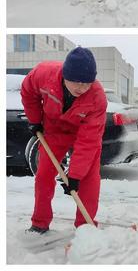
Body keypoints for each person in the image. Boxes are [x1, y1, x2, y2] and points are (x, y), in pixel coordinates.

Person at [21, 47, 107, 234]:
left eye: (87, 83)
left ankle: (85, 228)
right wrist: (35, 120)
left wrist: (74, 176)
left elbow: (89, 141)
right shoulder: (43, 74)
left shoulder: (97, 97)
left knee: (88, 179)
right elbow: (28, 92)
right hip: (54, 130)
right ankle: (39, 223)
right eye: (76, 82)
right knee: (43, 175)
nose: (82, 88)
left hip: (84, 134)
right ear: (65, 75)